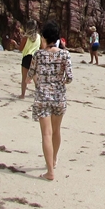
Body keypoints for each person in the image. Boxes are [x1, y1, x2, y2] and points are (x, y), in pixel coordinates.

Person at [27, 20, 73, 181]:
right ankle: (53, 161)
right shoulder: (65, 54)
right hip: (59, 97)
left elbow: (30, 74)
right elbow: (70, 78)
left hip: (42, 96)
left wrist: (38, 81)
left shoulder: (38, 55)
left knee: (46, 134)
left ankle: (50, 171)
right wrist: (59, 82)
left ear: (44, 37)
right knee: (56, 131)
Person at [19, 19, 41, 98]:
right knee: (35, 77)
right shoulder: (39, 37)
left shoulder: (26, 37)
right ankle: (40, 94)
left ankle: (22, 95)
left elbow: (20, 48)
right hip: (35, 58)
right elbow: (41, 48)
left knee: (24, 77)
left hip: (27, 57)